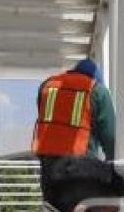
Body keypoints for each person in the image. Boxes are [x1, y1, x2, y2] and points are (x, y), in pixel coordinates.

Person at [32, 59, 117, 196]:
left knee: (53, 210)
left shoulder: (47, 86)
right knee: (79, 210)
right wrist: (113, 165)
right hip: (80, 163)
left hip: (49, 161)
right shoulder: (97, 90)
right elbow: (110, 136)